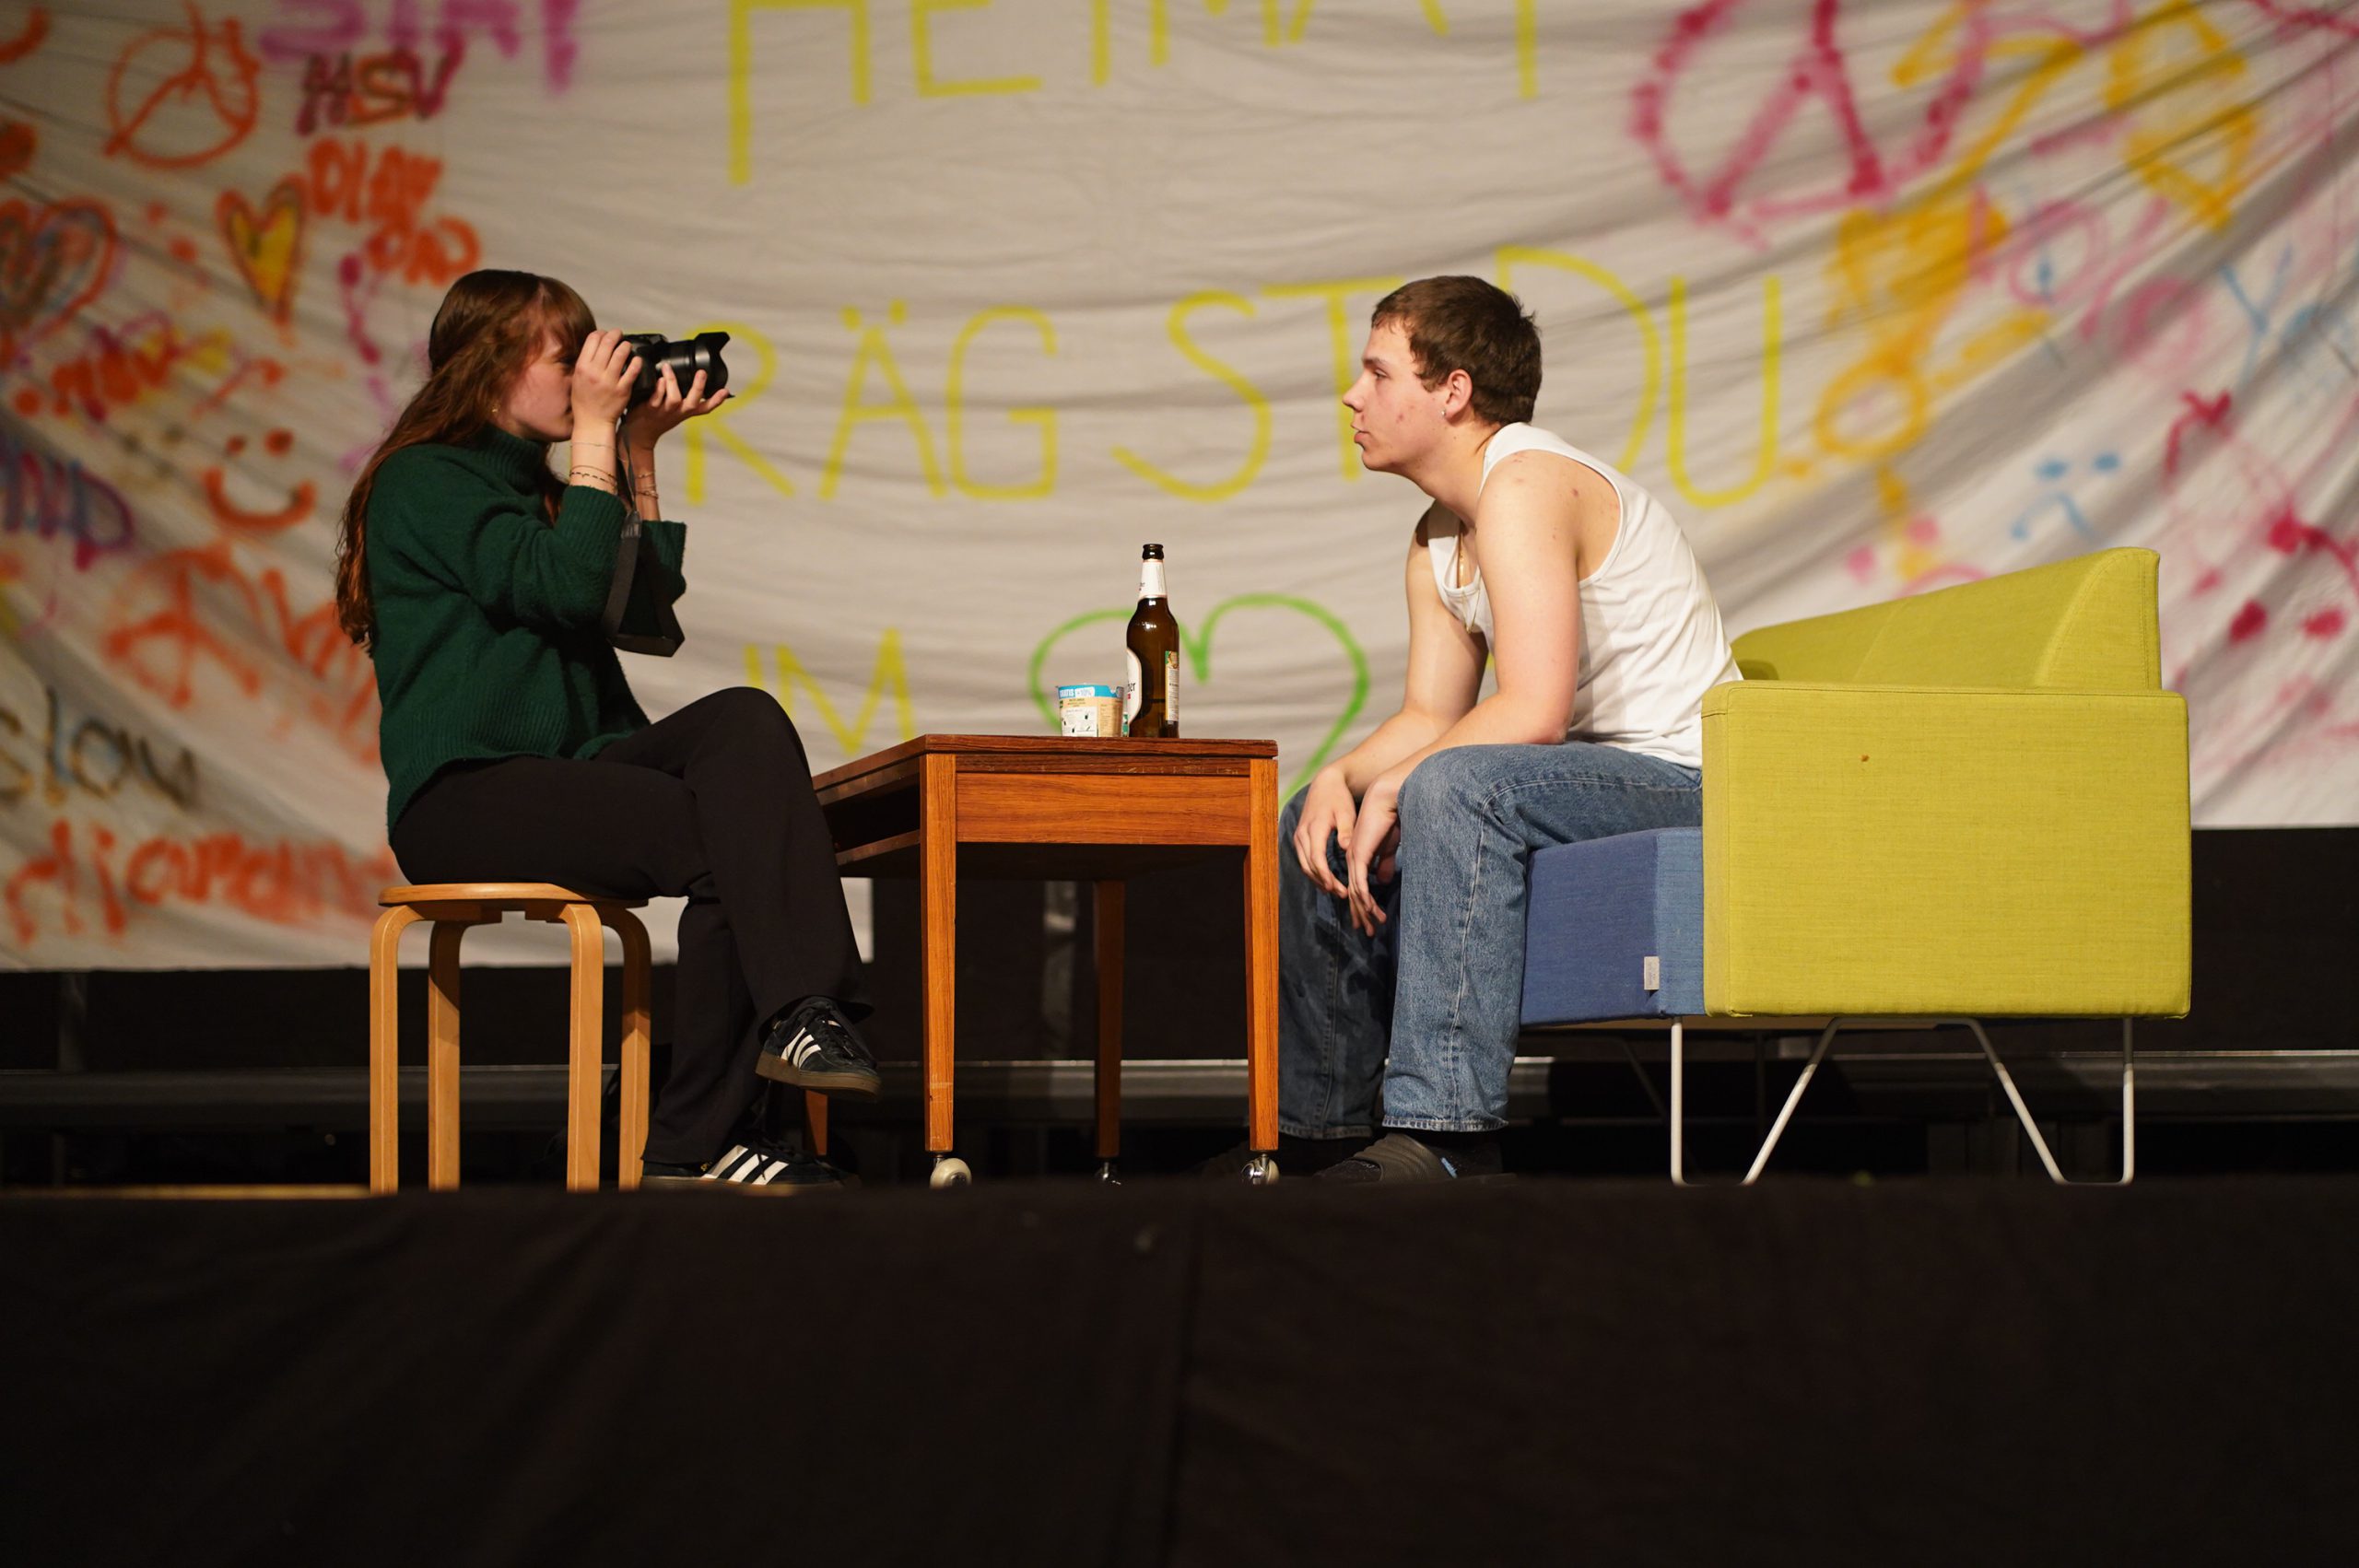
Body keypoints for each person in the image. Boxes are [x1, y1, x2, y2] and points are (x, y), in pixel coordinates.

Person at [335, 268, 877, 1189]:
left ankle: (800, 1016)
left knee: (743, 723)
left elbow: (645, 621)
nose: (594, 375)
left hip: (570, 769)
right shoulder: (422, 481)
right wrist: (595, 438)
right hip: (466, 791)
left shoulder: (556, 492)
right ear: (491, 366)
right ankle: (695, 1141)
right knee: (725, 840)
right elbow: (564, 586)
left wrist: (637, 452)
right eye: (571, 360)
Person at [1268, 275, 1740, 1182]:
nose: (1352, 396)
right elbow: (1430, 714)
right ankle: (1317, 1139)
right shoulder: (1437, 533)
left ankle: (1449, 1139)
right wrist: (1343, 776)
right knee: (1315, 817)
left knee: (1452, 784)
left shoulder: (1524, 482)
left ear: (1452, 390)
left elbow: (1532, 708)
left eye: (1377, 373)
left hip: (1688, 779)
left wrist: (1404, 781)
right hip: (1585, 779)